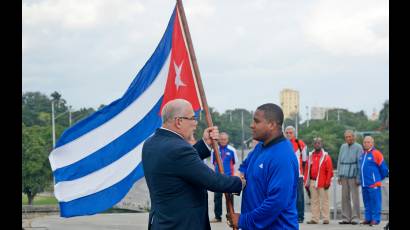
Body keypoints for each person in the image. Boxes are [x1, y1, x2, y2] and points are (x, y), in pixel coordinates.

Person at [142, 99, 245, 230]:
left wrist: (205, 143)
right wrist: (240, 182)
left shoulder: (151, 143)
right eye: (192, 118)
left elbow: (178, 164)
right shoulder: (179, 149)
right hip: (182, 224)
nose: (195, 124)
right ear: (179, 121)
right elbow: (212, 180)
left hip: (161, 222)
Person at [230, 103, 299, 229]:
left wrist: (244, 220)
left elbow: (276, 202)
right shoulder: (260, 147)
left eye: (256, 121)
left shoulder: (282, 156)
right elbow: (245, 167)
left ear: (272, 125)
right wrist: (234, 182)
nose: (252, 125)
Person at [359, 136, 389, 226]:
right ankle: (368, 218)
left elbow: (384, 169)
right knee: (367, 202)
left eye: (368, 142)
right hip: (364, 184)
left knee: (375, 202)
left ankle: (376, 219)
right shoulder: (362, 154)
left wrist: (377, 179)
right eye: (364, 142)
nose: (366, 144)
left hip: (374, 184)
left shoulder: (377, 153)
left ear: (372, 143)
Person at [210, 132, 239, 223]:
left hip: (229, 178)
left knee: (229, 199)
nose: (223, 141)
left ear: (227, 140)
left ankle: (230, 217)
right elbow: (212, 162)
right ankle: (217, 217)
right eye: (221, 139)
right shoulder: (214, 150)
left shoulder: (232, 150)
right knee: (217, 198)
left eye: (225, 139)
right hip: (217, 178)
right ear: (218, 139)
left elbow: (234, 162)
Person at [304, 137, 334, 225]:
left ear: (321, 144)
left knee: (325, 201)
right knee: (314, 201)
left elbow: (330, 171)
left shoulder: (326, 156)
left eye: (319, 143)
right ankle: (314, 219)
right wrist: (306, 182)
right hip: (312, 182)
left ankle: (326, 218)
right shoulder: (310, 156)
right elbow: (306, 169)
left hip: (323, 182)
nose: (317, 144)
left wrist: (328, 182)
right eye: (315, 143)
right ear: (313, 144)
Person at [337, 130, 362, 225]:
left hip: (353, 174)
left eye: (350, 136)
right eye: (346, 137)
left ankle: (355, 217)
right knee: (344, 197)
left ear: (354, 137)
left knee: (355, 197)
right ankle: (346, 217)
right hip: (344, 174)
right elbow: (339, 160)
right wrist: (339, 175)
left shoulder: (358, 147)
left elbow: (359, 163)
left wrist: (358, 177)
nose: (348, 138)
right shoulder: (343, 146)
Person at [285, 125, 308, 223]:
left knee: (299, 197)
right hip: (285, 175)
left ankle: (300, 216)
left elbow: (305, 160)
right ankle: (288, 215)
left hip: (298, 175)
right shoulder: (282, 143)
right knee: (287, 196)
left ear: (294, 133)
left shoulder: (300, 144)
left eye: (290, 133)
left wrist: (304, 175)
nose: (289, 134)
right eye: (287, 133)